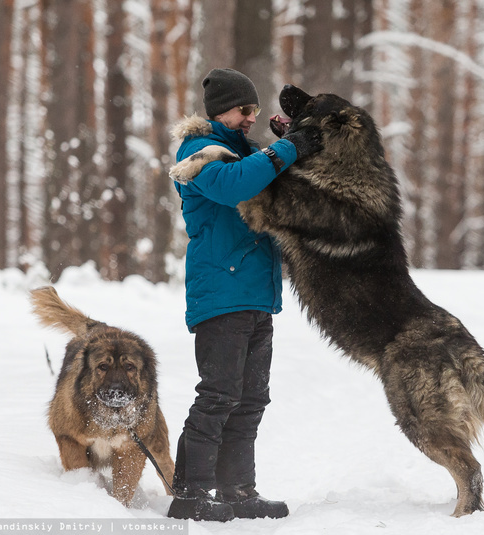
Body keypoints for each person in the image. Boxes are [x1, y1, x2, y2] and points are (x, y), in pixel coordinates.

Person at [166, 68, 322, 522]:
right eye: (244, 110)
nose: (251, 117)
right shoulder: (199, 153)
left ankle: (236, 490)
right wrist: (288, 147)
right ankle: (190, 494)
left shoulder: (249, 153)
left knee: (252, 398)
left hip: (256, 295)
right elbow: (235, 185)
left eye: (254, 109)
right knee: (218, 394)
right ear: (220, 111)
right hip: (221, 294)